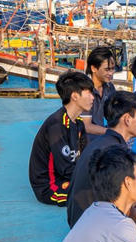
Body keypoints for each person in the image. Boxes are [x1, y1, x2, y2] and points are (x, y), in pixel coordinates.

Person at [67, 91, 136, 229]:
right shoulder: (116, 154)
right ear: (127, 119)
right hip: (92, 226)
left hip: (79, 218)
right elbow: (119, 203)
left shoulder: (101, 142)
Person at [28, 71, 92, 206]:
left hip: (66, 178)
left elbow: (85, 158)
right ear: (75, 96)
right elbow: (65, 168)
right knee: (98, 195)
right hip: (50, 186)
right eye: (89, 93)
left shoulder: (79, 124)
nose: (93, 97)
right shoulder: (56, 125)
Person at [82, 46, 117, 138]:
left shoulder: (109, 88)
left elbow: (113, 113)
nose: (111, 73)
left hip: (100, 137)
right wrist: (112, 132)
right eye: (107, 69)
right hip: (84, 142)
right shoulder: (84, 90)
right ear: (93, 68)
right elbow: (86, 126)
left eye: (113, 69)